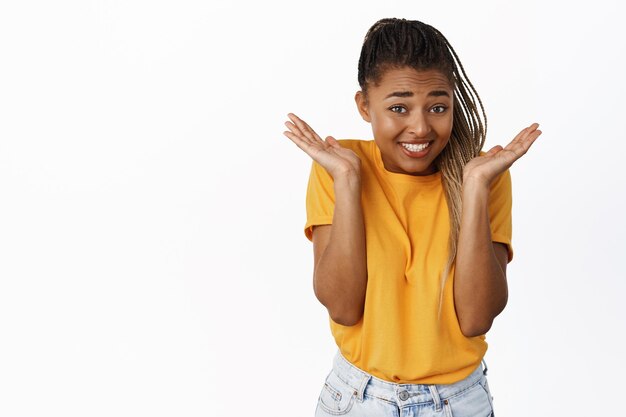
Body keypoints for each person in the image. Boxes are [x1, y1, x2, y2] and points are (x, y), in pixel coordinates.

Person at [282, 18, 541, 417]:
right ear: (364, 106)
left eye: (438, 107)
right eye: (398, 107)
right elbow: (343, 307)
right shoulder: (338, 167)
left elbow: (476, 318)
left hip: (458, 403)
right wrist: (349, 181)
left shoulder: (483, 175)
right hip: (356, 399)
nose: (420, 127)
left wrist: (473, 190)